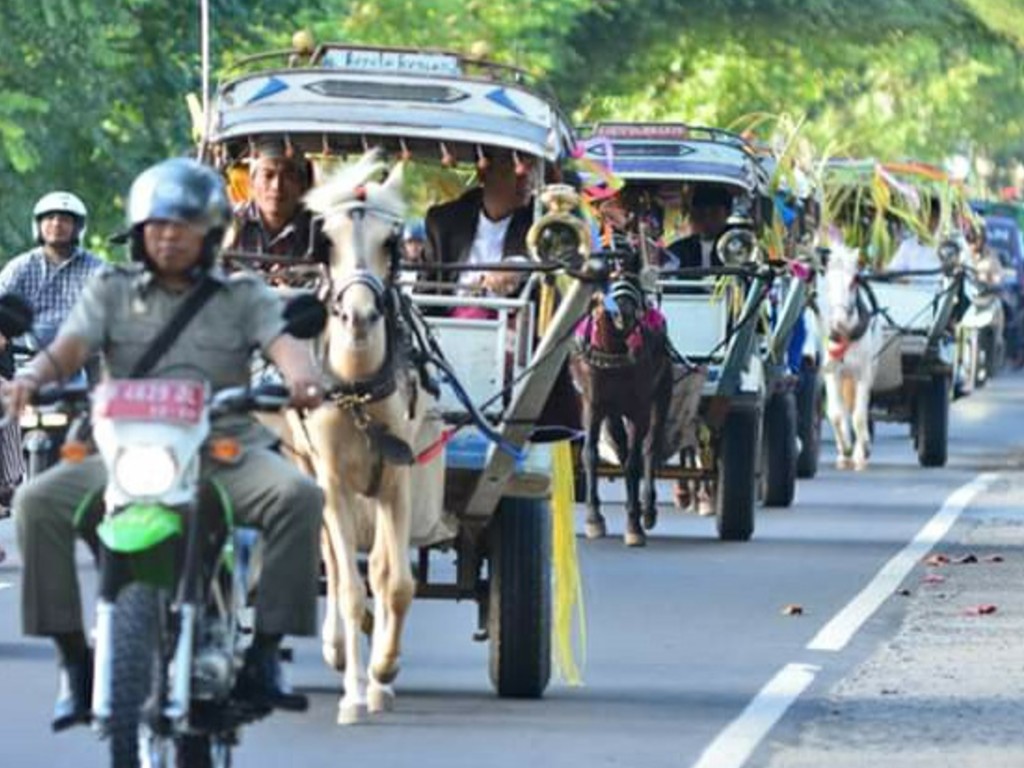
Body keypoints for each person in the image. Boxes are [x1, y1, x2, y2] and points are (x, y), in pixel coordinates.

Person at [3, 158, 325, 731]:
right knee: (35, 503)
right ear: (138, 232)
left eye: (182, 225)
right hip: (124, 450)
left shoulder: (242, 294)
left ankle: (267, 651)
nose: (168, 236)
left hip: (220, 449)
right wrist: (30, 380)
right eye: (157, 225)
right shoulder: (110, 289)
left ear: (211, 233)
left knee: (298, 495)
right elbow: (70, 348)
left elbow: (283, 344)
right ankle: (74, 660)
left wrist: (303, 378)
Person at [0, 191, 103, 526]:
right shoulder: (20, 268)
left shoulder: (97, 269)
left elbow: (112, 311)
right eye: (49, 218)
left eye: (65, 219)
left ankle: (109, 486)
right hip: (25, 361)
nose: (56, 224)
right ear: (38, 225)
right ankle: (6, 484)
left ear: (78, 228)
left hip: (83, 361)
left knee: (110, 413)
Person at [425, 150, 535, 298]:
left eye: (531, 168)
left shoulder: (539, 221)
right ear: (483, 173)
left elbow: (553, 259)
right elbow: (425, 293)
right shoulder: (443, 222)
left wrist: (516, 266)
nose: (527, 178)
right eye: (515, 167)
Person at [224, 138, 330, 264]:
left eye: (288, 176)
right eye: (268, 175)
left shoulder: (322, 231)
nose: (277, 186)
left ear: (302, 185)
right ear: (252, 182)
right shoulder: (227, 224)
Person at [666, 185, 734, 268]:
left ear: (727, 213)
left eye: (714, 213)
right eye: (701, 213)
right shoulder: (677, 251)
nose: (707, 219)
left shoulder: (738, 247)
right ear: (692, 214)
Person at [887, 198, 942, 273]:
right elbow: (892, 272)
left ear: (937, 219)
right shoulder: (907, 246)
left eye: (930, 217)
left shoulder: (947, 245)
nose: (922, 221)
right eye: (920, 216)